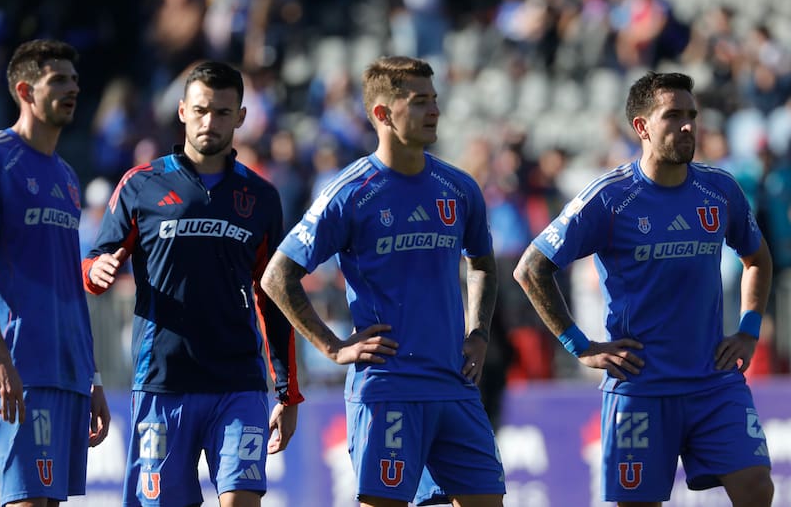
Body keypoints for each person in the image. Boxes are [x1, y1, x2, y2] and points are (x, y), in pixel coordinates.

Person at [513, 71, 774, 506]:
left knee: (756, 487)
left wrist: (748, 328)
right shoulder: (610, 199)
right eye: (674, 115)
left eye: (692, 114)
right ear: (642, 127)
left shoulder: (719, 189)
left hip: (712, 381)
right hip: (640, 387)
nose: (689, 125)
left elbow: (757, 259)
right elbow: (531, 268)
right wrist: (580, 346)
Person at [261, 55, 505, 507]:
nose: (434, 111)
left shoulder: (458, 187)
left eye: (434, 99)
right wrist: (334, 348)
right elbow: (278, 276)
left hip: (454, 384)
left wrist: (479, 333)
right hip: (388, 387)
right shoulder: (351, 192)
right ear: (382, 114)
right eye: (419, 102)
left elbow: (484, 264)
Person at [82, 60, 303, 507]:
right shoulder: (141, 185)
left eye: (223, 112)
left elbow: (272, 296)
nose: (210, 122)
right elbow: (92, 262)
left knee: (242, 500)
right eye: (201, 110)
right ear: (182, 111)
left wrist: (287, 391)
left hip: (238, 380)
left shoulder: (261, 197)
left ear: (241, 117)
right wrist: (98, 271)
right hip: (164, 380)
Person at [0, 38, 110, 506]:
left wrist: (94, 375)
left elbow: (68, 283)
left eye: (75, 80)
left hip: (69, 371)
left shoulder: (66, 176)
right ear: (25, 90)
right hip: (22, 368)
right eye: (58, 80)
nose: (72, 88)